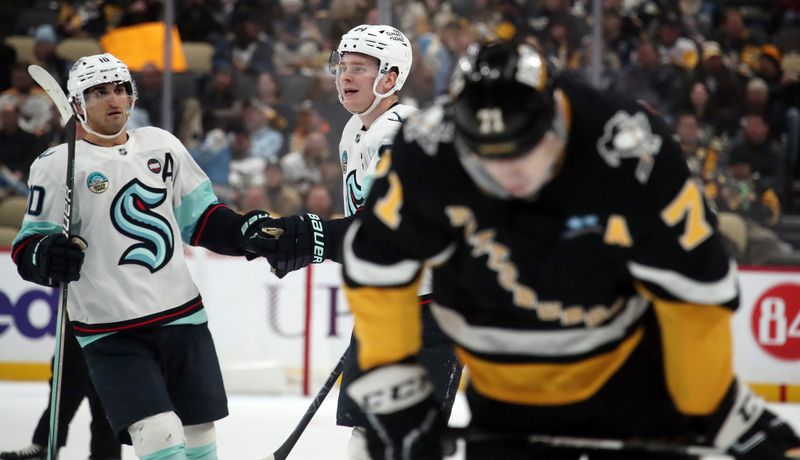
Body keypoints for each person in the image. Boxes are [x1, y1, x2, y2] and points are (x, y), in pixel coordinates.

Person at [338, 41, 800, 460]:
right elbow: (376, 268)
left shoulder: (629, 149)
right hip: (507, 388)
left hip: (630, 377)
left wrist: (708, 402)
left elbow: (697, 292)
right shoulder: (426, 145)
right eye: (486, 160)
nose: (507, 177)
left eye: (521, 155)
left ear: (555, 124)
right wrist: (393, 394)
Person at [10, 53, 278, 460]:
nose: (114, 99)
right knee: (158, 435)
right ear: (78, 103)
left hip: (183, 316)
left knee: (199, 433)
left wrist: (243, 232)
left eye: (120, 89)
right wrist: (48, 255)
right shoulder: (55, 165)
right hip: (111, 329)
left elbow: (201, 218)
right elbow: (28, 247)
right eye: (100, 92)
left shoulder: (162, 145)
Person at [242, 25, 462, 460]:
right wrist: (316, 241)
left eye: (360, 67)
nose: (345, 75)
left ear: (390, 77)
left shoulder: (402, 133)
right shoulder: (354, 131)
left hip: (433, 310)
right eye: (342, 66)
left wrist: (312, 238)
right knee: (364, 442)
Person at [0, 322, 121, 460]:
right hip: (80, 312)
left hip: (112, 314)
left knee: (105, 377)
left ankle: (106, 454)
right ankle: (45, 444)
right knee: (66, 372)